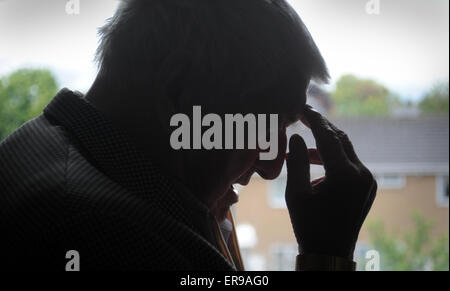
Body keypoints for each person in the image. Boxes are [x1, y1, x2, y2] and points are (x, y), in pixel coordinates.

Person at [0, 0, 376, 271]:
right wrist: (327, 254)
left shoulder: (47, 148)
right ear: (179, 90)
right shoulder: (116, 237)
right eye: (264, 125)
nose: (273, 165)